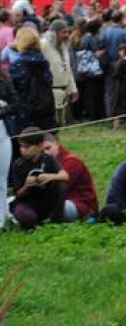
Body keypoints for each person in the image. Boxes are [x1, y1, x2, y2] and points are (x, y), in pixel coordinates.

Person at [9, 127, 68, 230]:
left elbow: (65, 175)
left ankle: (56, 220)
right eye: (21, 147)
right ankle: (31, 223)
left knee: (60, 185)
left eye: (27, 147)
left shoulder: (48, 159)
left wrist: (49, 176)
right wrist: (27, 186)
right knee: (26, 217)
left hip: (46, 199)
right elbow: (18, 193)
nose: (23, 150)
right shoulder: (18, 164)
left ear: (40, 146)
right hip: (27, 202)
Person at [8, 26, 57, 135]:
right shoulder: (44, 62)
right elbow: (49, 82)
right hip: (45, 108)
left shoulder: (17, 65)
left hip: (26, 112)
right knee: (47, 142)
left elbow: (14, 90)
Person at [42, 132, 98, 221]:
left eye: (48, 148)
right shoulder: (46, 161)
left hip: (81, 205)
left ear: (56, 144)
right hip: (63, 201)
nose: (46, 153)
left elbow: (60, 189)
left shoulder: (71, 162)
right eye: (42, 151)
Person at [40, 20, 78, 126]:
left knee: (61, 124)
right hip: (49, 91)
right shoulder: (43, 45)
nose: (67, 35)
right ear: (55, 33)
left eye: (68, 32)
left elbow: (68, 69)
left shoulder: (63, 47)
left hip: (63, 91)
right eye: (63, 32)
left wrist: (73, 89)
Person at [0, 68, 17, 230]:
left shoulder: (5, 79)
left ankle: (2, 217)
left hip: (3, 134)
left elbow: (16, 104)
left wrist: (2, 108)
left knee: (3, 179)